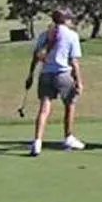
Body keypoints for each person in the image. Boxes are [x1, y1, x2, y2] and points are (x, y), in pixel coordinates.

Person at [24, 9, 85, 154]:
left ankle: (37, 142)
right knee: (70, 104)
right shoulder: (71, 36)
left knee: (44, 109)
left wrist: (31, 75)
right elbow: (73, 61)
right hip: (63, 74)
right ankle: (68, 136)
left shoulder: (45, 35)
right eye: (70, 18)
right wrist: (79, 81)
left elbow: (36, 57)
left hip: (45, 75)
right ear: (65, 20)